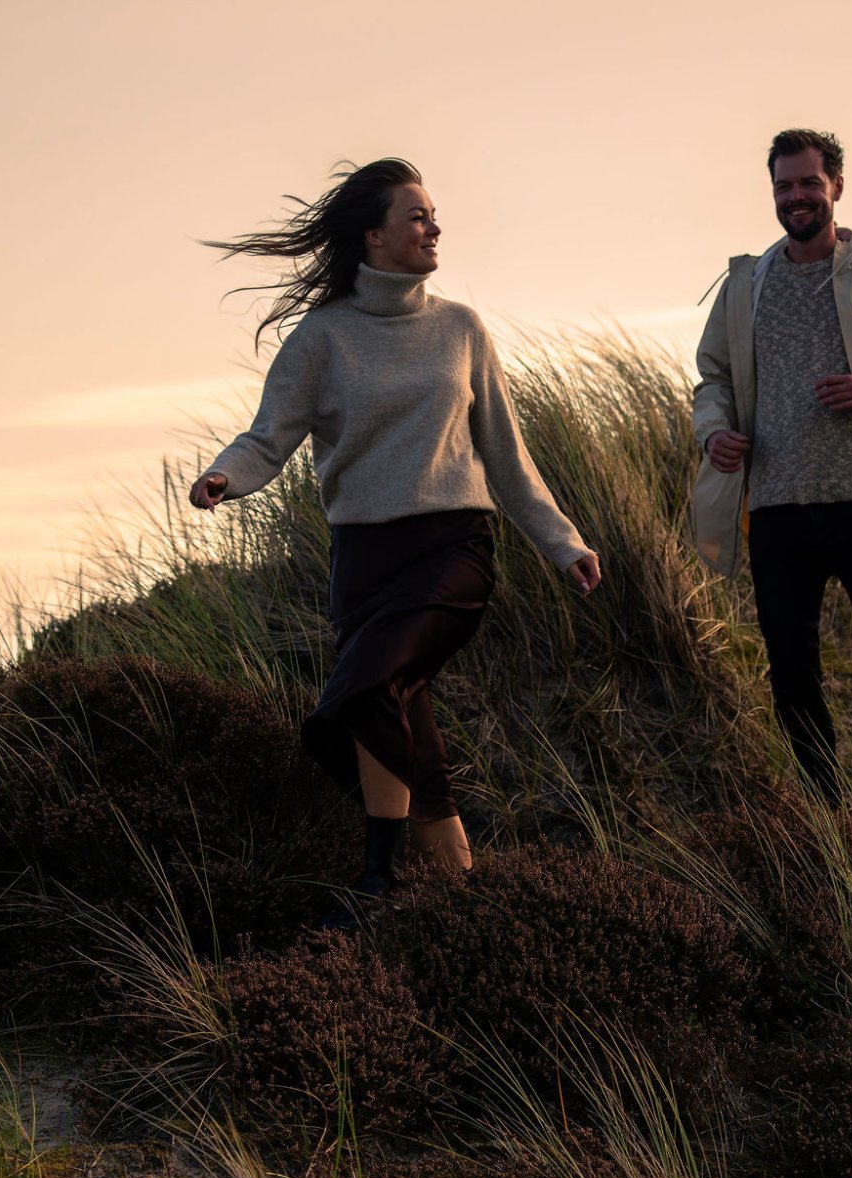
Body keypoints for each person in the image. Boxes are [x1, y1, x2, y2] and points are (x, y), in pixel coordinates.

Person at [191, 158, 601, 923]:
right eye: (417, 216)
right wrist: (224, 477)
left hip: (452, 551)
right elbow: (267, 438)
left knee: (353, 700)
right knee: (407, 729)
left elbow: (508, 459)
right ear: (373, 236)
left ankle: (379, 883)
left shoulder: (459, 329)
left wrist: (562, 542)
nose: (435, 226)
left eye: (434, 213)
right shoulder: (323, 339)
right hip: (363, 563)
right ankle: (455, 901)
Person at [692, 129, 852, 806]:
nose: (796, 196)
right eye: (784, 185)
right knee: (790, 665)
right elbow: (712, 377)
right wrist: (715, 431)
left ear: (836, 186)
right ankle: (823, 803)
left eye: (809, 183)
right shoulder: (746, 284)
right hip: (777, 507)